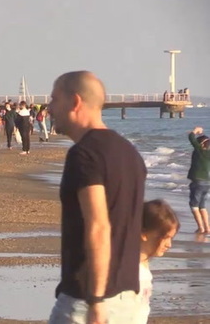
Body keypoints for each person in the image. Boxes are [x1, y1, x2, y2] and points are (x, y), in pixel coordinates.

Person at [47, 71, 147, 324]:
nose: (49, 107)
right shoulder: (130, 153)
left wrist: (96, 300)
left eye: (54, 99)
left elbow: (99, 226)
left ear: (75, 102)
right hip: (128, 299)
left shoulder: (84, 155)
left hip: (89, 300)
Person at [135, 199, 179, 324]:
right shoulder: (131, 270)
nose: (169, 245)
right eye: (165, 238)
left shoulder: (143, 265)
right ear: (144, 233)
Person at [187, 127, 210, 233]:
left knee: (194, 205)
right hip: (207, 181)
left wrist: (195, 131)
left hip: (197, 180)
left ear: (201, 144)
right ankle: (208, 228)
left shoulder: (199, 150)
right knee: (202, 206)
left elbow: (191, 138)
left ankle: (201, 227)